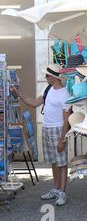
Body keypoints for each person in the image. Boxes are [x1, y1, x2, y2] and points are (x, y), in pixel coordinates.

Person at [11, 64, 71, 206]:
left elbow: (66, 120)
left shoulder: (64, 94)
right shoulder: (48, 88)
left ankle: (62, 192)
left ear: (53, 77)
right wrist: (18, 93)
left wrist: (62, 139)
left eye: (47, 75)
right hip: (47, 128)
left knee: (62, 163)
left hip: (58, 130)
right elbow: (34, 103)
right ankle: (56, 189)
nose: (45, 77)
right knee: (53, 161)